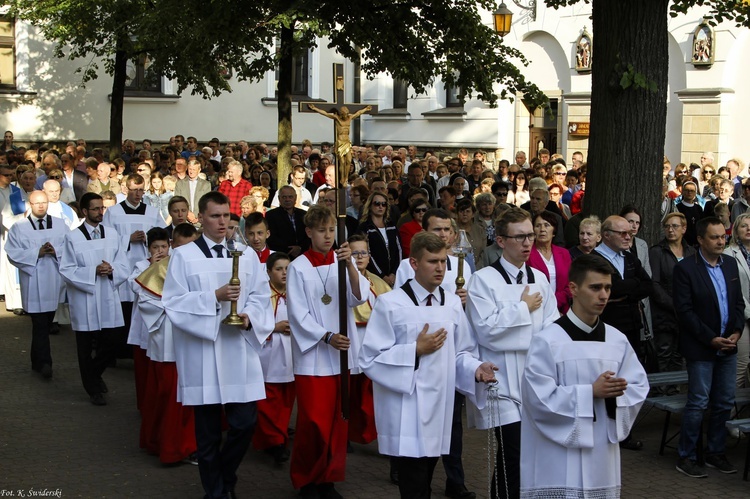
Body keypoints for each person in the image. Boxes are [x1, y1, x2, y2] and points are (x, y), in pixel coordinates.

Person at [359, 231, 497, 499]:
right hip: (407, 407)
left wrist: (476, 370)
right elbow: (371, 358)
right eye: (433, 261)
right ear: (413, 263)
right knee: (414, 482)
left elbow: (462, 352)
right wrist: (414, 351)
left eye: (444, 262)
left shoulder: (452, 303)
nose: (440, 268)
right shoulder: (391, 303)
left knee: (427, 476)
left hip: (440, 406)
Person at [162, 191, 275, 499]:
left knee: (244, 423)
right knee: (208, 433)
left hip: (238, 348)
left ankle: (225, 474)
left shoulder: (245, 253)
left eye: (226, 215)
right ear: (201, 218)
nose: (222, 221)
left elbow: (261, 295)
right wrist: (214, 296)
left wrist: (250, 316)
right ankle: (216, 492)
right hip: (204, 351)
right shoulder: (185, 256)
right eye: (215, 216)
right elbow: (172, 303)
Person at [520, 254, 649, 498]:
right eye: (595, 287)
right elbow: (537, 398)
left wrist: (616, 395)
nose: (603, 295)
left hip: (601, 448)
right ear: (573, 289)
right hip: (556, 455)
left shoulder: (617, 340)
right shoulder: (547, 340)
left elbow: (638, 386)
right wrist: (590, 393)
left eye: (608, 287)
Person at [465, 207, 559, 499]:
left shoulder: (540, 280)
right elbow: (486, 330)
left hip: (535, 378)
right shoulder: (483, 280)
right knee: (513, 452)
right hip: (503, 380)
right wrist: (522, 309)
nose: (528, 242)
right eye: (520, 237)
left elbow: (552, 328)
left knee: (528, 456)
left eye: (530, 235)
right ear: (502, 241)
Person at [287, 205, 369, 499]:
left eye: (332, 230)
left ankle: (328, 478)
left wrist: (350, 266)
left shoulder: (341, 261)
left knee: (337, 421)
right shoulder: (298, 267)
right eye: (322, 231)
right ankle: (307, 479)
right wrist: (326, 336)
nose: (328, 236)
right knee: (313, 422)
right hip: (313, 358)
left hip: (340, 357)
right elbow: (297, 314)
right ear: (309, 232)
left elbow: (359, 297)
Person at [673, 216, 745, 478]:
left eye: (722, 236)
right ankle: (688, 456)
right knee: (699, 402)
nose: (720, 241)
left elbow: (738, 303)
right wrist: (710, 338)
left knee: (724, 401)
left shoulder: (730, 265)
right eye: (714, 237)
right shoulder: (686, 269)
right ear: (700, 240)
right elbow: (684, 311)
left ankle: (716, 452)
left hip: (729, 345)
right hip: (701, 348)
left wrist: (737, 331)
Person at [134, 223, 199, 465]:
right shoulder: (158, 270)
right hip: (169, 342)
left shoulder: (197, 268)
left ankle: (185, 444)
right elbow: (147, 303)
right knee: (168, 396)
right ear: (174, 246)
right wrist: (184, 307)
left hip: (192, 340)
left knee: (188, 397)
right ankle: (170, 447)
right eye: (183, 246)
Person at [60, 192, 130, 405]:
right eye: (96, 209)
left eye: (102, 208)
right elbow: (66, 269)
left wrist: (111, 269)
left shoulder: (112, 233)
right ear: (84, 211)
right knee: (84, 344)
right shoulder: (73, 237)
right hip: (85, 297)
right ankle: (93, 390)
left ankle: (93, 372)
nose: (101, 212)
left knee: (113, 340)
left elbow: (123, 263)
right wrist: (93, 271)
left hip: (108, 293)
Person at [5, 190, 69, 379]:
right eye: (37, 203)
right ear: (30, 205)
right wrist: (37, 253)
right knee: (39, 323)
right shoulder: (20, 227)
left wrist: (55, 250)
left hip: (54, 279)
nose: (41, 206)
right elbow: (12, 253)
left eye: (44, 202)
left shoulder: (60, 225)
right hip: (34, 280)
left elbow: (71, 247)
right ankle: (45, 363)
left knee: (46, 322)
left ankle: (37, 360)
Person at [103, 173, 166, 358]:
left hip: (147, 264)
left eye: (141, 190)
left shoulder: (152, 212)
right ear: (125, 189)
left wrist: (149, 239)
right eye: (134, 190)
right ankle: (120, 350)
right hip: (123, 264)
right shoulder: (114, 212)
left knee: (141, 304)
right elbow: (108, 239)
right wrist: (127, 239)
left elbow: (160, 235)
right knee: (124, 307)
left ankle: (136, 348)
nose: (138, 194)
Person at [252, 252, 296, 465]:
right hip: (269, 353)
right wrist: (274, 327)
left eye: (287, 268)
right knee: (269, 401)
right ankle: (275, 441)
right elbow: (253, 322)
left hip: (292, 353)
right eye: (278, 269)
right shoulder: (261, 295)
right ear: (268, 272)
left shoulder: (296, 293)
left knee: (287, 400)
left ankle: (278, 436)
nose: (284, 273)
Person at [345, 234, 387, 449]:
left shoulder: (378, 282)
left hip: (372, 341)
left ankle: (370, 431)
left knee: (369, 392)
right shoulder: (341, 279)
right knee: (349, 390)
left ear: (369, 256)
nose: (359, 257)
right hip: (352, 338)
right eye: (354, 253)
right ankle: (345, 431)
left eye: (363, 253)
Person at [649, 213, 695, 387]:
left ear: (684, 229)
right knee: (664, 354)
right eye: (667, 226)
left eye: (675, 226)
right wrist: (674, 305)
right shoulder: (657, 251)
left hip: (686, 314)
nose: (670, 230)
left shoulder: (691, 251)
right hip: (665, 313)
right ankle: (660, 393)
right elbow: (654, 284)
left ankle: (674, 390)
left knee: (679, 354)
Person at [723, 213, 750, 389]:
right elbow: (732, 289)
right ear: (735, 230)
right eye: (744, 226)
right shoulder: (728, 253)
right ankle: (730, 412)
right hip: (741, 316)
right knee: (741, 363)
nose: (748, 229)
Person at [528, 210, 572, 314]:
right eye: (538, 226)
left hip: (562, 309)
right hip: (536, 309)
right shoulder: (527, 254)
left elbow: (571, 283)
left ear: (554, 231)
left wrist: (555, 301)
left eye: (547, 225)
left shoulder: (564, 253)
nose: (542, 229)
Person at [357, 191, 402, 287]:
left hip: (394, 276)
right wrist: (382, 275)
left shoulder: (392, 226)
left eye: (384, 204)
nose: (380, 207)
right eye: (377, 204)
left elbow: (399, 250)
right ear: (370, 205)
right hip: (374, 276)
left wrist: (394, 272)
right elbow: (367, 253)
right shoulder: (365, 227)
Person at [266, 185, 309, 259]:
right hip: (281, 256)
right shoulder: (271, 215)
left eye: (290, 197)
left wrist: (300, 248)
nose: (287, 199)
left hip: (303, 255)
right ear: (279, 199)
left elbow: (309, 235)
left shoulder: (304, 214)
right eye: (284, 197)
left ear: (295, 198)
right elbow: (271, 238)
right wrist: (290, 250)